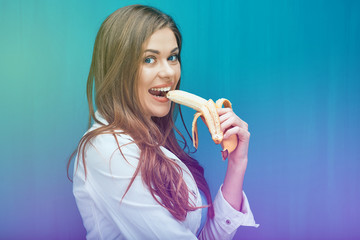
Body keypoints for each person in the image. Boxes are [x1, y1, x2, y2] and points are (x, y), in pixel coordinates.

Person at [69, 4, 259, 240]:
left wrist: (237, 164)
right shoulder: (107, 149)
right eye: (149, 59)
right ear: (118, 68)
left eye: (172, 57)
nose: (168, 73)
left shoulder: (153, 141)